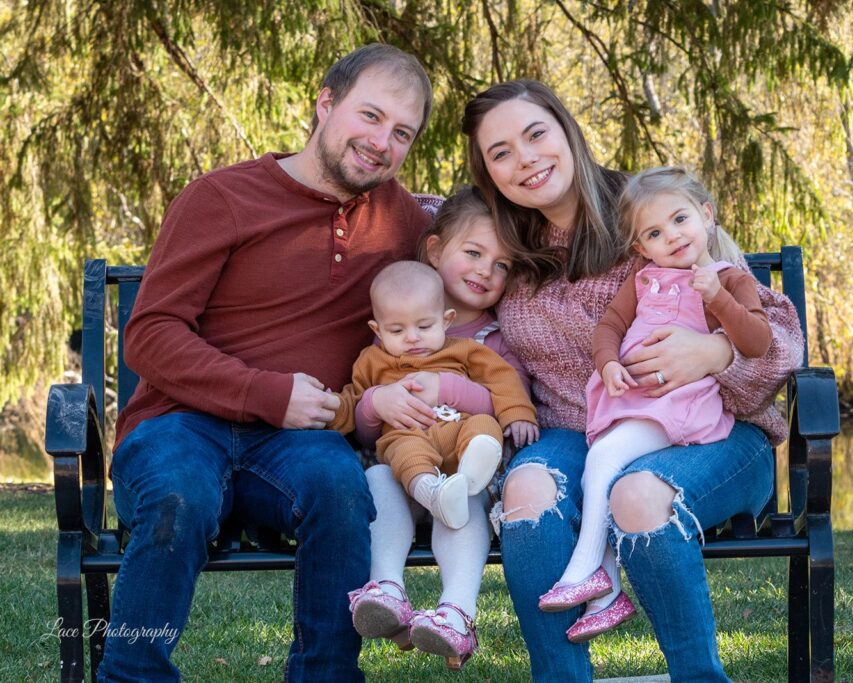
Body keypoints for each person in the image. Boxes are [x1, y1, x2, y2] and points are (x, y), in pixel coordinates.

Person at [105, 44, 435, 683]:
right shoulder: (222, 197)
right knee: (179, 496)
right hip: (181, 424)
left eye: (402, 133)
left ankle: (325, 675)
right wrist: (264, 391)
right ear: (326, 103)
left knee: (341, 489)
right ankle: (130, 674)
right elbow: (149, 333)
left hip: (298, 444)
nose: (381, 142)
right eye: (369, 116)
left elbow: (483, 248)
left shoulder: (400, 220)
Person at [458, 80, 805, 682]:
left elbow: (778, 339)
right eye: (502, 152)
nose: (526, 159)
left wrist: (715, 350)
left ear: (567, 131)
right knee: (529, 488)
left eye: (536, 134)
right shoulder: (505, 240)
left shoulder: (649, 211)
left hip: (714, 431)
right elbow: (413, 212)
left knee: (638, 494)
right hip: (585, 429)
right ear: (488, 173)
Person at [538, 166, 773, 642]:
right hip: (633, 403)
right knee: (608, 476)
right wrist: (607, 363)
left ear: (706, 216)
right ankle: (606, 595)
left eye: (680, 219)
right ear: (641, 248)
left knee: (603, 458)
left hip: (682, 405)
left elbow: (759, 341)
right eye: (655, 232)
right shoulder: (643, 281)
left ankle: (584, 568)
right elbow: (608, 327)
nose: (673, 236)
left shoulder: (728, 278)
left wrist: (719, 301)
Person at [344, 193, 538, 670]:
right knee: (374, 481)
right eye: (473, 253)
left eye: (501, 265)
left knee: (465, 499)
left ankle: (456, 611)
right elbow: (366, 430)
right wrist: (376, 403)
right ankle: (386, 588)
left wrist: (446, 387)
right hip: (403, 472)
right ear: (434, 252)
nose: (484, 271)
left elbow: (508, 399)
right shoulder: (389, 336)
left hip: (464, 476)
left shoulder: (494, 337)